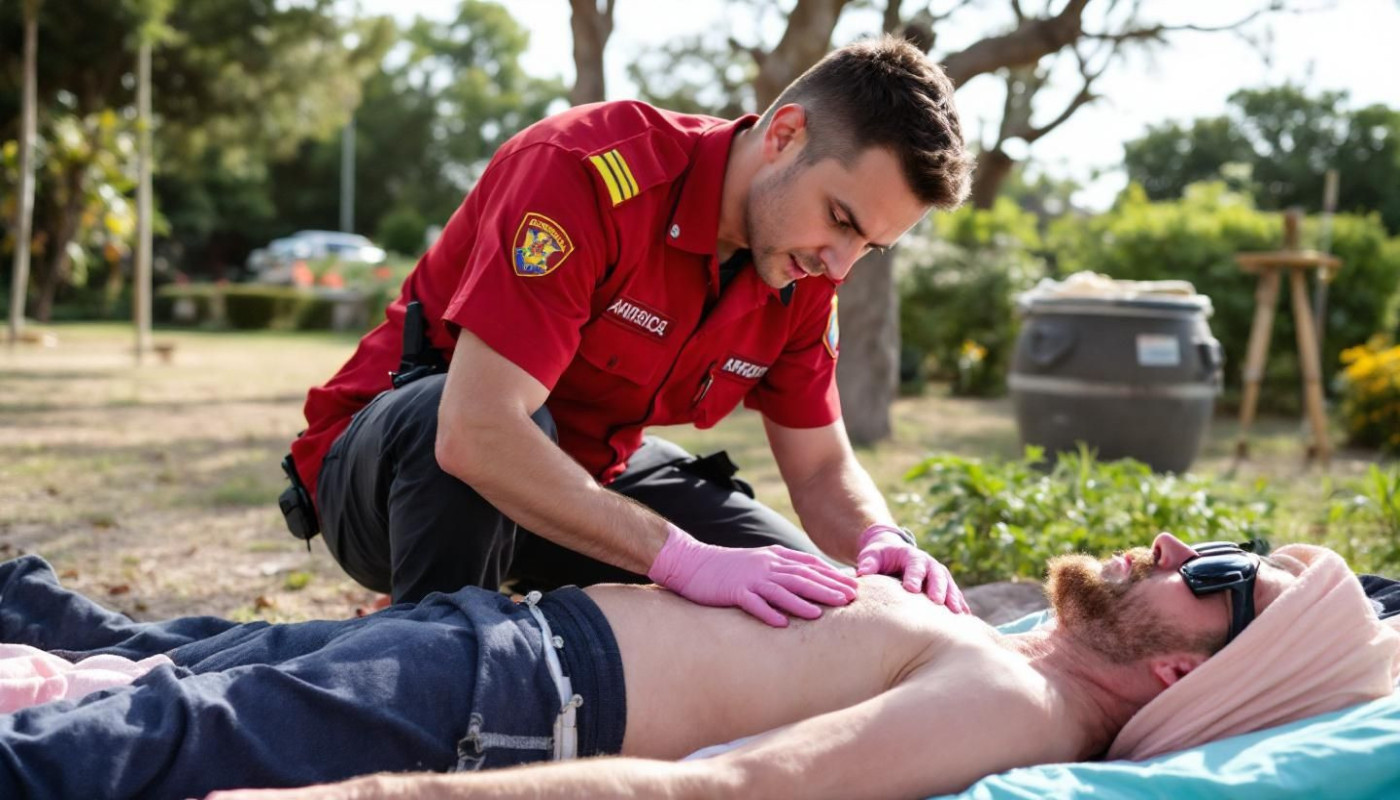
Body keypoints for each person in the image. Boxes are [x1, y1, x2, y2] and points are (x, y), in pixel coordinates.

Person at [280, 36, 977, 620]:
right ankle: (429, 655)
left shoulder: (804, 267)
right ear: (785, 135)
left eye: (870, 246)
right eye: (842, 220)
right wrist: (685, 561)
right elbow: (475, 433)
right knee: (477, 422)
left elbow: (822, 467)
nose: (841, 264)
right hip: (395, 483)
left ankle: (501, 611)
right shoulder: (585, 172)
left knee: (802, 597)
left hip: (584, 484)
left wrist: (881, 536)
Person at [3, 533, 1396, 800]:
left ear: (1181, 681)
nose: (1180, 543)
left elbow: (725, 792)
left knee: (115, 746)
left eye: (1222, 576)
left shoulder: (1016, 705)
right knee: (145, 659)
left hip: (503, 706)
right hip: (495, 644)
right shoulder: (1002, 646)